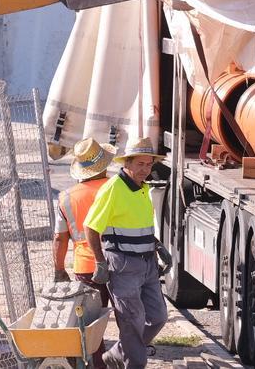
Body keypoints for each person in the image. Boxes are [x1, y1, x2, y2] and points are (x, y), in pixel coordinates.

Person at [84, 137, 171, 369]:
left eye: (149, 164)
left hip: (148, 265)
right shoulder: (112, 189)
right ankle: (132, 362)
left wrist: (157, 246)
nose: (145, 169)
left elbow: (136, 224)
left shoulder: (142, 188)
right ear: (127, 164)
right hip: (122, 266)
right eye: (140, 164)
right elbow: (91, 227)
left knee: (159, 317)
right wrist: (100, 262)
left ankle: (118, 352)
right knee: (133, 323)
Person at [53, 137, 115, 369]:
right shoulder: (116, 188)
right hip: (119, 263)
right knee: (127, 320)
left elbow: (60, 238)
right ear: (105, 164)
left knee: (90, 326)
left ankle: (96, 365)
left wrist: (59, 269)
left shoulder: (66, 197)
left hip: (86, 269)